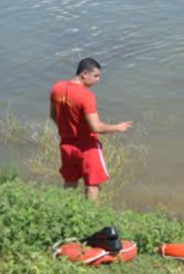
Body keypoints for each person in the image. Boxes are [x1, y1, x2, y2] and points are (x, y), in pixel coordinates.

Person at [50, 57, 133, 200]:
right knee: (93, 184)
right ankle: (92, 215)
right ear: (84, 74)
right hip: (86, 146)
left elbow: (53, 115)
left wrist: (67, 129)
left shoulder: (57, 88)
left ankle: (64, 208)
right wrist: (118, 127)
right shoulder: (86, 96)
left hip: (66, 144)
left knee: (70, 181)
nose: (97, 80)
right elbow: (96, 127)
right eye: (95, 76)